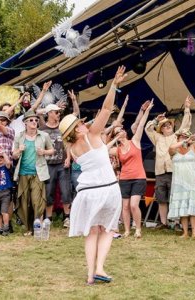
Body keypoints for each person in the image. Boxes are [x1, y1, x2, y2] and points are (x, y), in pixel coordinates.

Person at [59, 66, 126, 285]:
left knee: (92, 232)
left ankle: (90, 275)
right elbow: (106, 109)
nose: (83, 123)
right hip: (106, 189)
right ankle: (99, 268)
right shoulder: (92, 135)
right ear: (77, 129)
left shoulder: (73, 148)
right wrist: (114, 85)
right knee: (107, 229)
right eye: (79, 123)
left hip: (86, 193)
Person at [145, 96, 192, 229]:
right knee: (161, 198)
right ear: (161, 130)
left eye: (169, 125)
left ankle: (176, 222)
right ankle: (164, 222)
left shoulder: (176, 135)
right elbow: (148, 129)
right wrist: (156, 120)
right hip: (160, 172)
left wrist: (187, 108)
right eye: (164, 126)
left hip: (174, 171)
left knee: (175, 198)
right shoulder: (157, 137)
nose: (167, 126)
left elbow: (186, 125)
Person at [110, 99, 154, 238]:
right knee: (125, 206)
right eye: (118, 131)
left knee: (134, 205)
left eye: (121, 130)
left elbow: (140, 125)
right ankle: (127, 230)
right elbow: (102, 149)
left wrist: (146, 111)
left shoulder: (134, 141)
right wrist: (112, 136)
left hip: (138, 177)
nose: (121, 131)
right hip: (124, 179)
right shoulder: (116, 149)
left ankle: (138, 229)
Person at [12, 110, 55, 235]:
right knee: (24, 201)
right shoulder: (19, 136)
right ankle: (28, 228)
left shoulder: (43, 135)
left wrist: (44, 152)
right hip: (23, 173)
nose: (34, 122)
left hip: (38, 173)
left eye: (36, 120)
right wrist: (18, 151)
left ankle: (38, 227)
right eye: (31, 120)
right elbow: (14, 155)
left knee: (38, 201)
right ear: (25, 123)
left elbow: (52, 150)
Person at [39, 97, 78, 227]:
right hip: (48, 164)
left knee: (66, 191)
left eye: (58, 112)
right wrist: (49, 108)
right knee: (48, 191)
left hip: (62, 163)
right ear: (49, 113)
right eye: (55, 112)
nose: (58, 114)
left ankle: (67, 217)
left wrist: (68, 158)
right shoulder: (43, 128)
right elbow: (36, 111)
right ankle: (48, 218)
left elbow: (67, 143)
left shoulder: (62, 127)